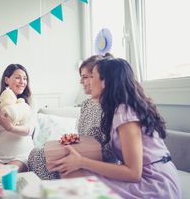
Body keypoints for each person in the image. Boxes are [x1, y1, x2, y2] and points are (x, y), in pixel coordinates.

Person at [50, 57, 181, 198]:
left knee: (74, 176)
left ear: (105, 82)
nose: (87, 82)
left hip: (154, 183)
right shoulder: (116, 109)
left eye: (92, 76)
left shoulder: (125, 112)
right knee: (70, 174)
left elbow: (133, 173)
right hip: (145, 175)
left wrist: (82, 162)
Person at [28, 54, 116, 180]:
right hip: (82, 151)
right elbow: (82, 137)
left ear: (97, 77)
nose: (81, 82)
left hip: (98, 160)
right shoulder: (86, 104)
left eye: (85, 77)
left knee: (42, 158)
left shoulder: (112, 107)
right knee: (37, 153)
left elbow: (109, 149)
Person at [0, 64, 35, 172]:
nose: (23, 82)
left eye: (25, 78)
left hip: (21, 156)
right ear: (6, 80)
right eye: (18, 78)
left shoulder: (27, 104)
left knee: (8, 174)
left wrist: (10, 127)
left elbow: (29, 130)